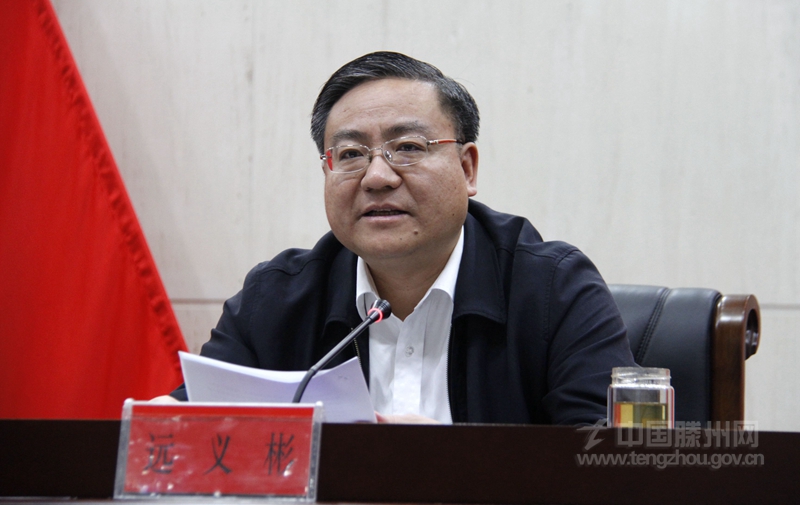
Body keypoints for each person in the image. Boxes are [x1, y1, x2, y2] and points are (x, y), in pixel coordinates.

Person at [162, 51, 636, 424]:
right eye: (351, 154)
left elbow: (608, 464)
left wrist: (450, 465)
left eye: (408, 147)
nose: (377, 176)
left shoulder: (553, 290)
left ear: (467, 168)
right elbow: (192, 441)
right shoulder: (275, 301)